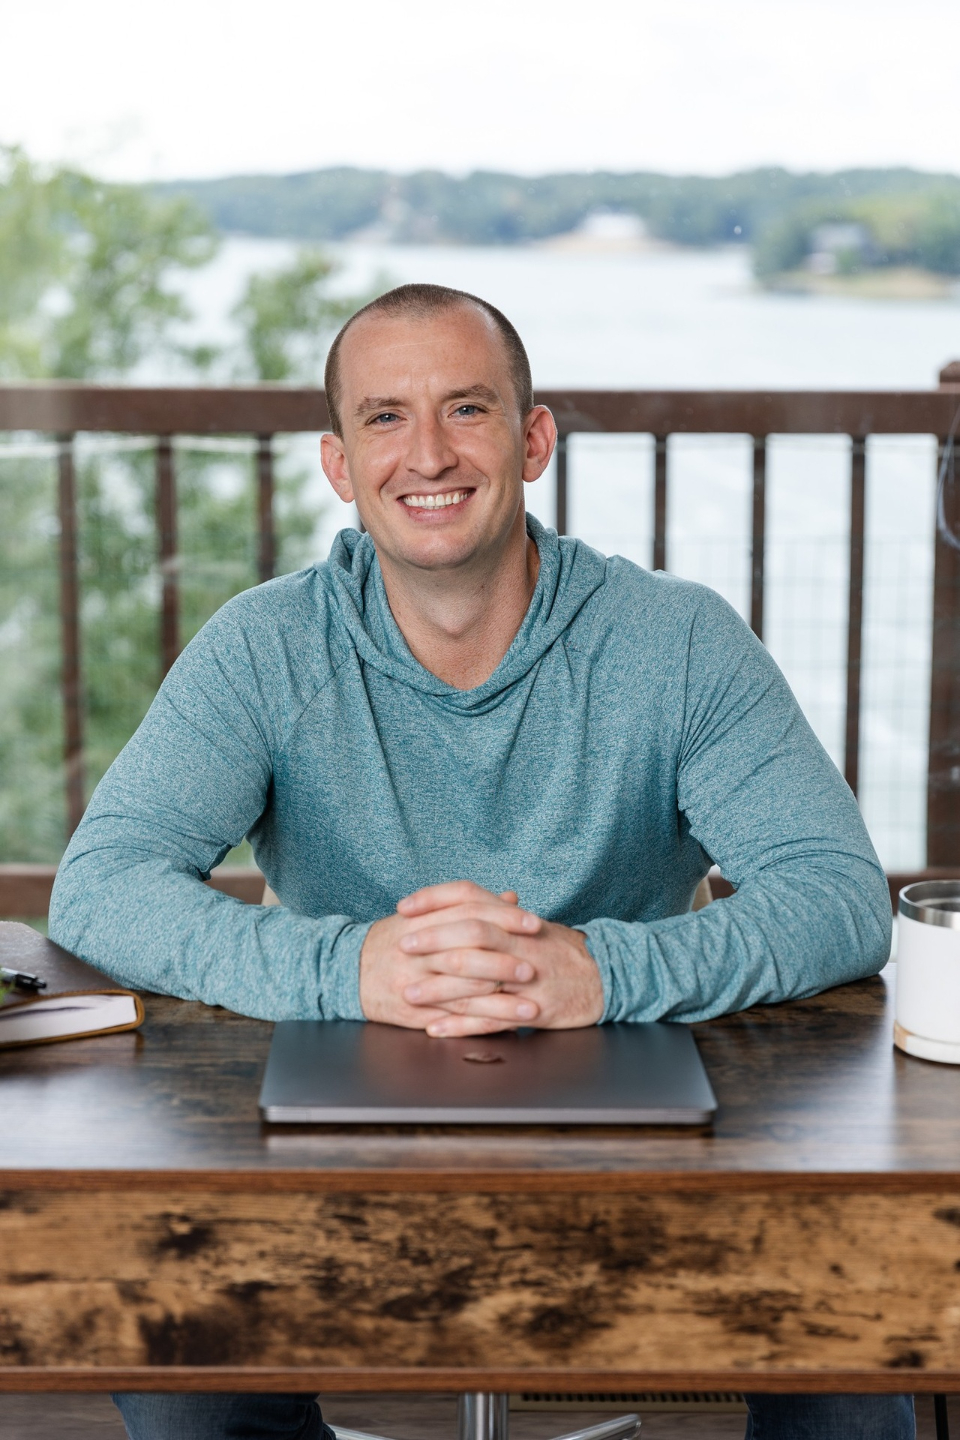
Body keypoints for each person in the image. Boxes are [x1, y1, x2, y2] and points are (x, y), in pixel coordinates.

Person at [49, 284, 911, 1440]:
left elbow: (839, 893)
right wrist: (354, 970)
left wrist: (599, 974)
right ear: (340, 465)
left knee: (858, 1335)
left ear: (533, 439)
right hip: (336, 1114)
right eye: (386, 419)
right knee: (169, 1335)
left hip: (645, 1122)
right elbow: (101, 885)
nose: (429, 456)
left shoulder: (678, 640)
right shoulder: (263, 647)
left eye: (466, 408)